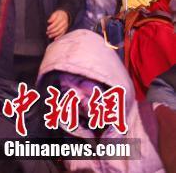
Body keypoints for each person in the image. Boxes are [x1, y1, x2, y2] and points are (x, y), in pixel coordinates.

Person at [37, 30, 164, 173]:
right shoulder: (70, 139)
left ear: (105, 78)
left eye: (81, 82)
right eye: (66, 91)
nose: (76, 97)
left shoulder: (154, 122)